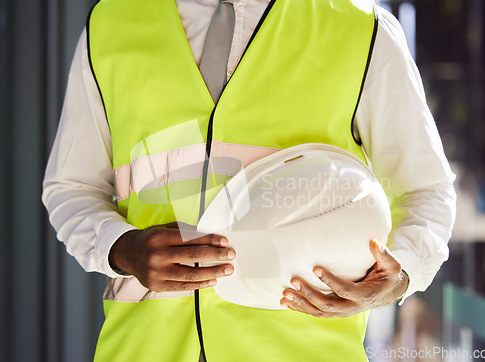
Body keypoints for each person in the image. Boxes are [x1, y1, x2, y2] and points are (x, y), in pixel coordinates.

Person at [42, 0, 456, 361]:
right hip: (141, 349)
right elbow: (71, 188)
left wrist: (400, 275)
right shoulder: (110, 24)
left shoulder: (362, 29)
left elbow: (426, 191)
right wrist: (121, 248)